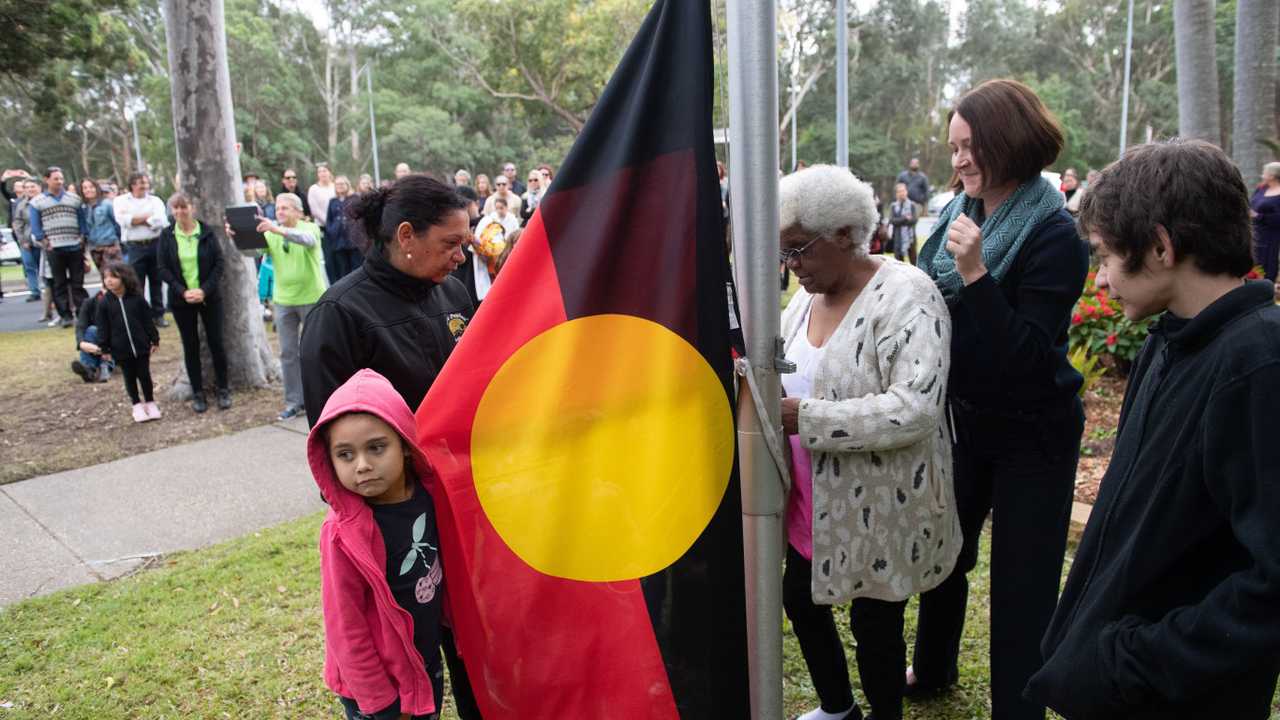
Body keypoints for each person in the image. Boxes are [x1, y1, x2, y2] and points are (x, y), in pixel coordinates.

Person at [1026, 139, 1280, 720]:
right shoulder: (1168, 343)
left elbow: (1271, 582)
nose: (1102, 281)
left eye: (1106, 256)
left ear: (1161, 246)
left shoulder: (1258, 363)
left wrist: (1133, 660)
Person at [911, 79, 1088, 720]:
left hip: (1035, 428)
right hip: (968, 419)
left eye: (969, 147)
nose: (957, 161)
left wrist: (980, 276)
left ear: (1006, 143)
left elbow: (1029, 359)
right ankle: (930, 670)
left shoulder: (1054, 236)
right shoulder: (965, 214)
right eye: (953, 147)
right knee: (944, 553)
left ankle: (1019, 709)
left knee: (1022, 583)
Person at [777, 166, 960, 720]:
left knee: (874, 626)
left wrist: (807, 417)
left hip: (880, 506)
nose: (793, 267)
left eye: (799, 251)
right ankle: (838, 708)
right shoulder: (803, 301)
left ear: (841, 233)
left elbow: (916, 407)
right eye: (784, 254)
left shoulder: (908, 295)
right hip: (813, 503)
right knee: (801, 602)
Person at [299, 174, 481, 719]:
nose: (461, 256)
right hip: (396, 527)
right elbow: (333, 446)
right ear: (406, 235)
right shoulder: (341, 315)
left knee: (472, 647)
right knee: (406, 647)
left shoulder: (453, 292)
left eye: (465, 243)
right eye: (451, 243)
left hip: (464, 508)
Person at [310, 369, 446, 720]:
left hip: (424, 663)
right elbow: (345, 627)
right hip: (378, 688)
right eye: (345, 454)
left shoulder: (429, 497)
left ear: (403, 443)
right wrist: (380, 701)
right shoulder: (342, 534)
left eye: (376, 447)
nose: (363, 466)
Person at [229, 192, 326, 420]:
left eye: (285, 208)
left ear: (298, 212)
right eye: (278, 208)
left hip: (312, 298)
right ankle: (294, 402)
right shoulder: (271, 233)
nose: (280, 212)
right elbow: (252, 252)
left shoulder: (308, 227)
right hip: (282, 301)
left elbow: (307, 240)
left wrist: (276, 229)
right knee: (288, 354)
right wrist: (237, 238)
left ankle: (321, 400)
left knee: (315, 352)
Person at [157, 192, 231, 414]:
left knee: (216, 342)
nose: (180, 212)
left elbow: (219, 263)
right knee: (190, 346)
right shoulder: (167, 235)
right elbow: (162, 268)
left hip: (209, 297)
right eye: (176, 208)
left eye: (184, 207)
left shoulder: (206, 232)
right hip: (182, 300)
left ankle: (223, 389)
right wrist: (183, 292)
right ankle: (197, 392)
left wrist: (204, 290)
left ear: (192, 208)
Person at [96, 261, 161, 423]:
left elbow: (147, 320)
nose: (109, 280)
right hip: (120, 349)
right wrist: (105, 348)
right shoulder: (104, 303)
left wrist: (154, 339)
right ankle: (136, 405)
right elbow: (103, 327)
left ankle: (150, 403)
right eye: (106, 277)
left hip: (141, 346)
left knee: (145, 375)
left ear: (124, 277)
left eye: (113, 277)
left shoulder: (137, 299)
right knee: (129, 377)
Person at [29, 166, 89, 327]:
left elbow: (82, 220)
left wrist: (82, 236)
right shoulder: (37, 202)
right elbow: (35, 226)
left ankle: (82, 314)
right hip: (54, 248)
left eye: (61, 178)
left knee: (78, 283)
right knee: (59, 283)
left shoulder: (74, 199)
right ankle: (65, 316)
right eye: (56, 179)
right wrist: (44, 241)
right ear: (46, 179)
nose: (59, 182)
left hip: (74, 245)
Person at [112, 172, 171, 327]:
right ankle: (139, 315)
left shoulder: (155, 200)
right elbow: (123, 221)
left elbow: (161, 221)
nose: (144, 186)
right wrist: (147, 218)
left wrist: (136, 219)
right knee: (137, 282)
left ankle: (158, 314)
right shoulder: (120, 201)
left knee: (156, 281)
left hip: (155, 244)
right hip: (135, 246)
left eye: (145, 182)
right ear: (132, 184)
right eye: (140, 183)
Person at [473, 197, 519, 286]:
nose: (499, 211)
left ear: (506, 207)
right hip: (495, 256)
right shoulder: (491, 219)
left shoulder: (512, 219)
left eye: (501, 208)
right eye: (497, 208)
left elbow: (515, 234)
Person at [71, 287, 114, 383]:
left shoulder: (121, 303)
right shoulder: (89, 303)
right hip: (97, 343)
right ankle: (90, 369)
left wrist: (107, 350)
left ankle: (105, 365)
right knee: (91, 331)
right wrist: (81, 343)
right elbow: (81, 326)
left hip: (115, 344)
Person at [82, 178, 123, 274]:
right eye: (85, 188)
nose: (88, 190)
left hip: (110, 245)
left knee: (115, 274)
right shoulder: (84, 208)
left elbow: (116, 224)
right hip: (94, 247)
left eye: (91, 187)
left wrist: (118, 242)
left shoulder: (107, 204)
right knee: (103, 276)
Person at [1248, 160, 1280, 283]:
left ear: (1272, 176)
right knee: (1253, 260)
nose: (1262, 175)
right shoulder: (1261, 188)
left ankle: (1267, 285)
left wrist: (1258, 216)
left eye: (1264, 173)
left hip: (1270, 235)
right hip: (1255, 232)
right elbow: (1252, 203)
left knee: (1267, 262)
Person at [10, 178, 42, 300]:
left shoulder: (44, 201)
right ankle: (34, 291)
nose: (30, 189)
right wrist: (22, 240)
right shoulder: (21, 205)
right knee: (29, 265)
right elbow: (18, 223)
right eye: (27, 187)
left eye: (32, 186)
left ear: (39, 187)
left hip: (43, 241)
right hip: (27, 240)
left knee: (44, 268)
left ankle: (51, 291)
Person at [326, 175, 362, 280]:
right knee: (342, 270)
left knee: (356, 269)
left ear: (347, 185)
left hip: (353, 241)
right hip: (338, 242)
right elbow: (329, 219)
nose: (340, 186)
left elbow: (361, 217)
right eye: (337, 184)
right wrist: (332, 230)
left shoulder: (355, 198)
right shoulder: (333, 201)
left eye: (342, 184)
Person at [309, 163, 339, 284]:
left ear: (330, 172)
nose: (322, 173)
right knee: (329, 258)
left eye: (325, 170)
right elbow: (314, 210)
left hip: (339, 229)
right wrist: (329, 224)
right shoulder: (314, 189)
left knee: (340, 258)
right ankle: (333, 284)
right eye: (320, 171)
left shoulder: (335, 186)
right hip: (324, 228)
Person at [887, 182, 918, 264]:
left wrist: (899, 221)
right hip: (897, 237)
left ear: (906, 192)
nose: (902, 193)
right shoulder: (893, 206)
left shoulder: (912, 205)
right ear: (896, 194)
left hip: (910, 238)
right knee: (898, 262)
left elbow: (914, 220)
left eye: (903, 191)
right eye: (899, 191)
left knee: (914, 261)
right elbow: (892, 221)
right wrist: (905, 218)